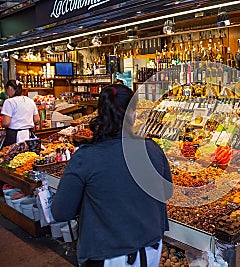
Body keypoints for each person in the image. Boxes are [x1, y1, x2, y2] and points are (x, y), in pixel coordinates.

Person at [51, 84, 173, 267]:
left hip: (106, 253)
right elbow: (166, 193)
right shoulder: (153, 149)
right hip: (150, 251)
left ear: (101, 114)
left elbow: (61, 211)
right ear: (132, 115)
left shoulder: (85, 157)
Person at [1, 79, 40, 148]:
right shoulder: (30, 100)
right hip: (29, 135)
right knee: (27, 156)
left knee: (12, 156)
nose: (6, 92)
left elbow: (6, 122)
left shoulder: (9, 102)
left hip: (14, 136)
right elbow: (37, 119)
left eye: (6, 89)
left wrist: (2, 124)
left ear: (10, 88)